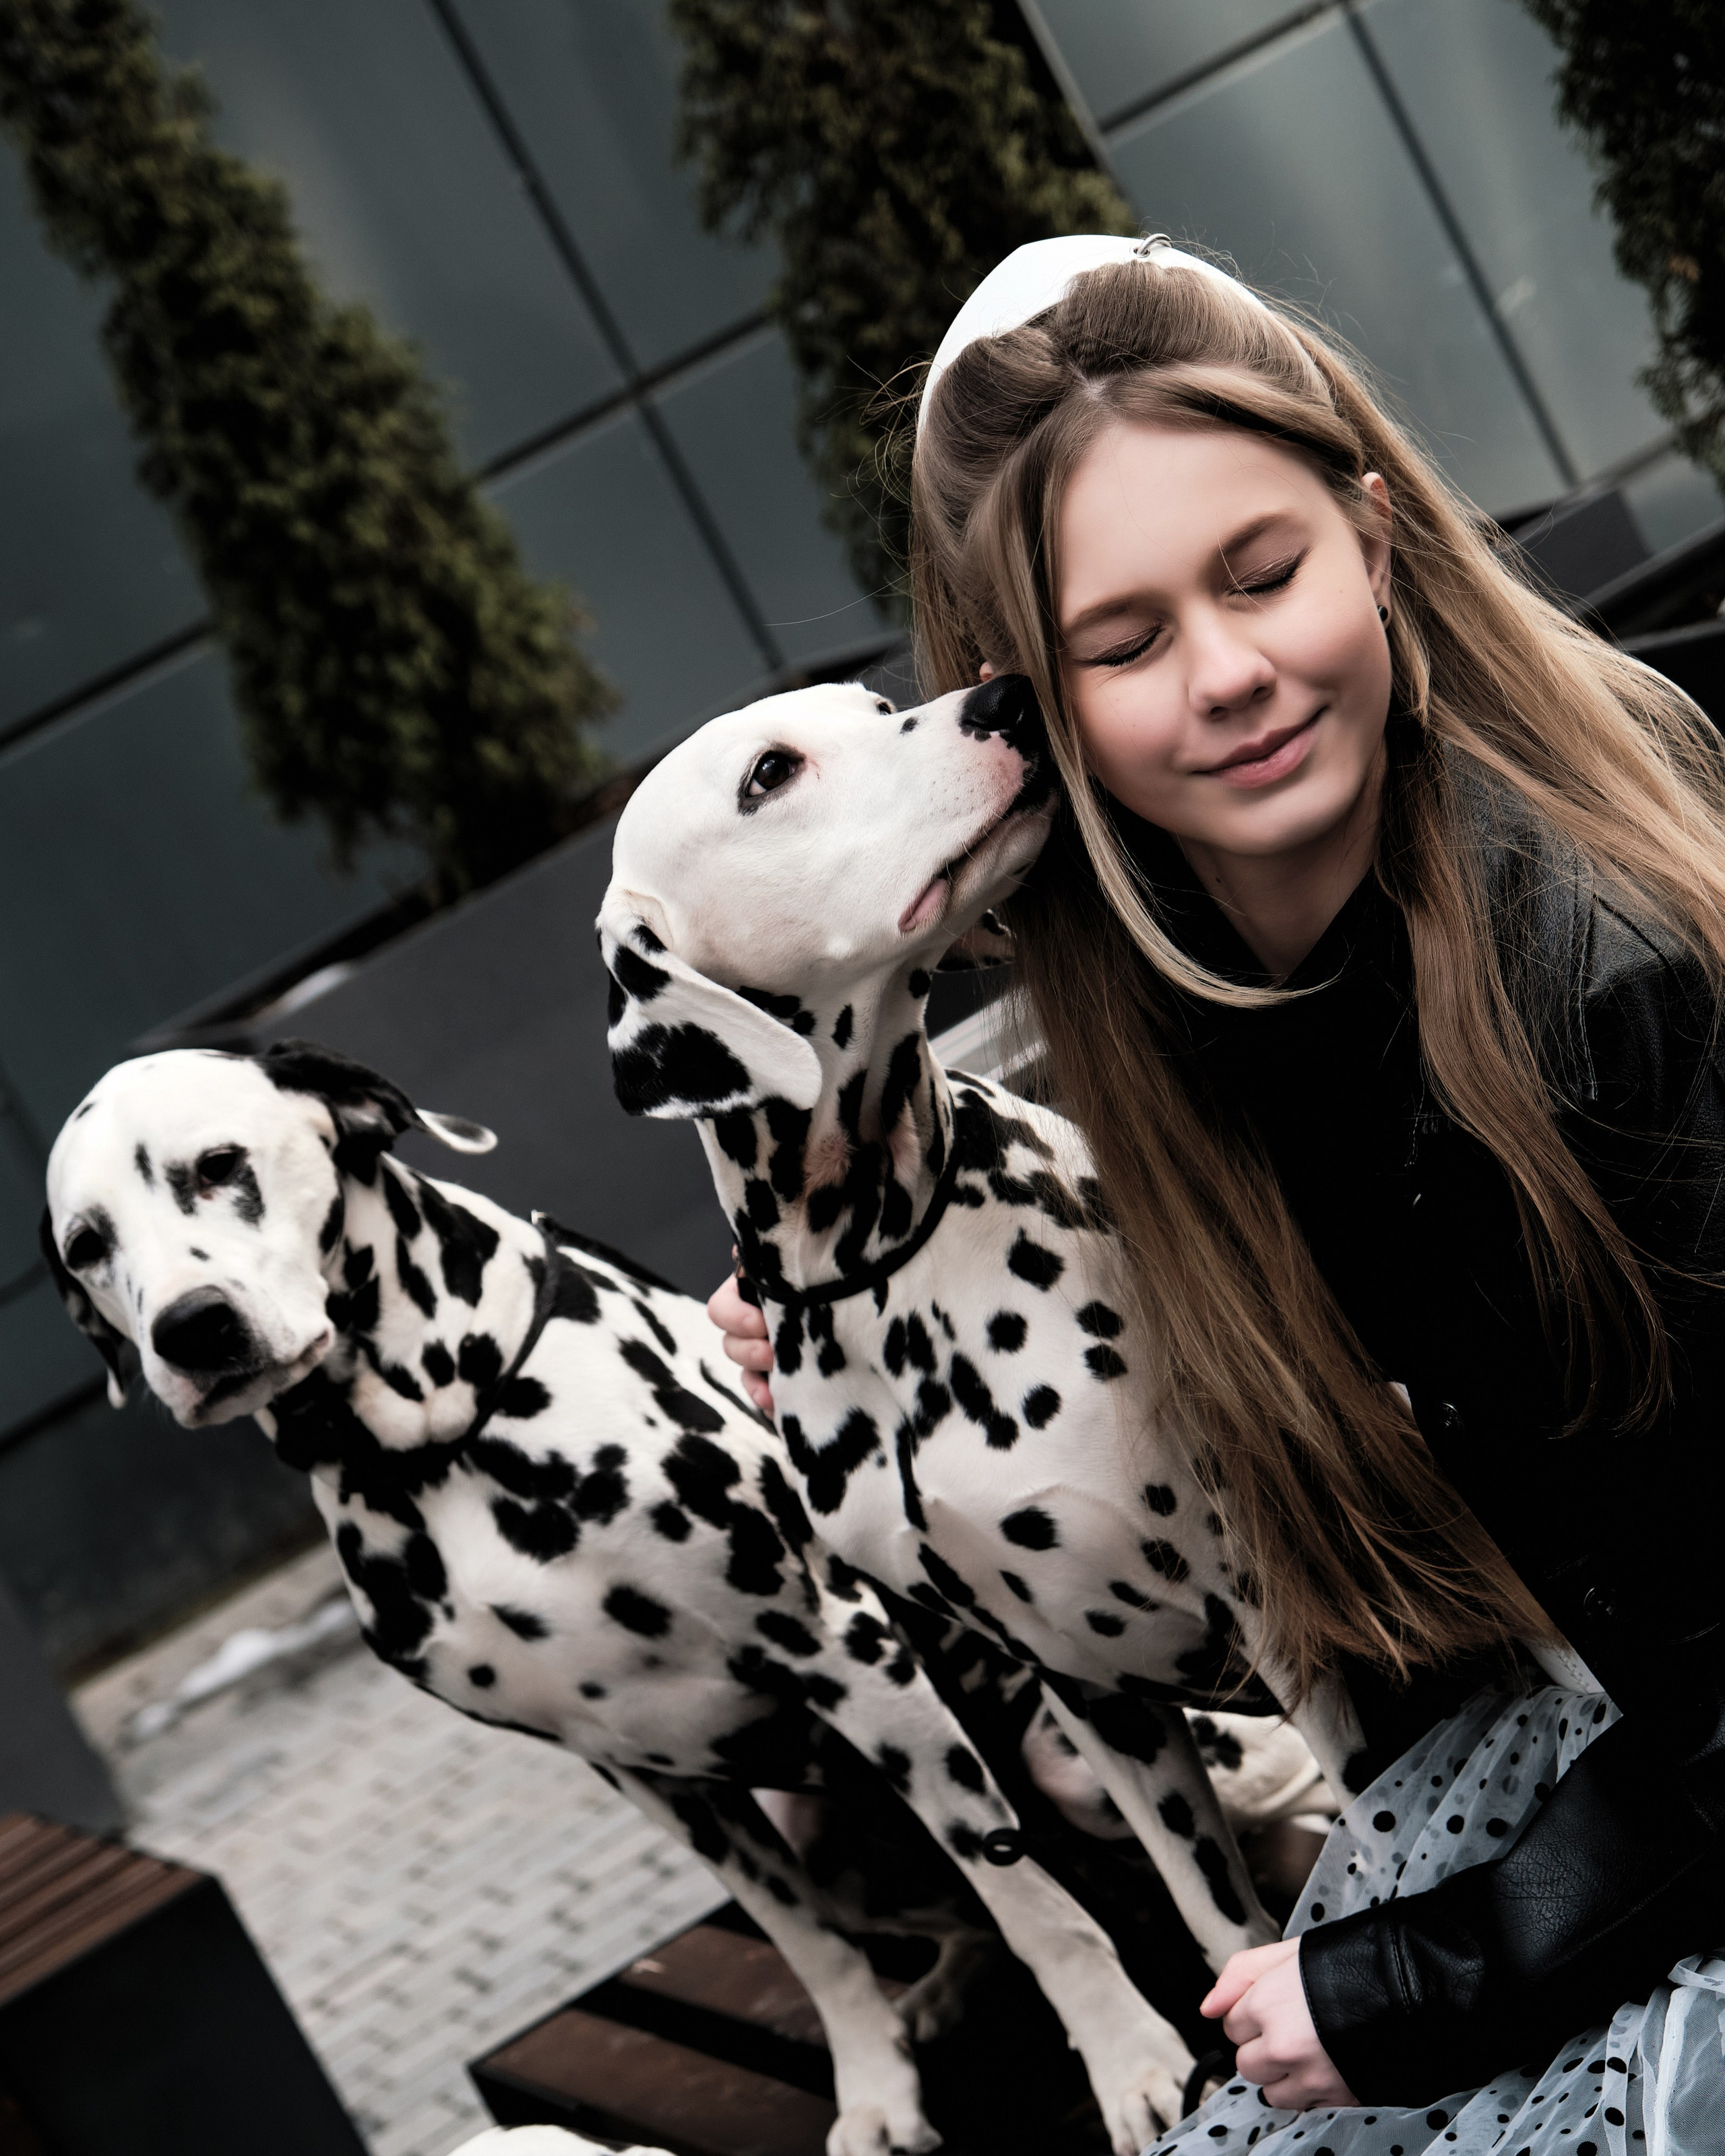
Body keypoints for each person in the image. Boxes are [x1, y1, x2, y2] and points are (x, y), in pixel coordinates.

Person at [708, 234, 1725, 2151]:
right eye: (1126, 640)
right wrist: (824, 1289)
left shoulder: (1597, 989)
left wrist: (1413, 1981)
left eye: (1262, 575)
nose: (1233, 674)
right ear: (1036, 708)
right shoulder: (1173, 996)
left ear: (1372, 532)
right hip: (1597, 1741)